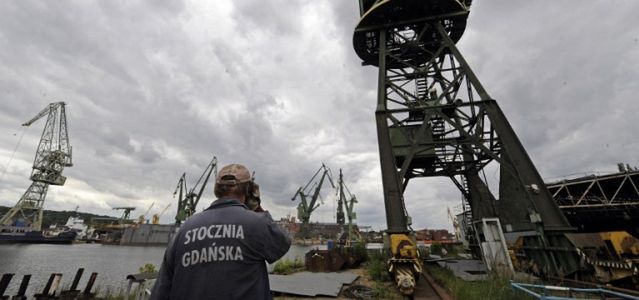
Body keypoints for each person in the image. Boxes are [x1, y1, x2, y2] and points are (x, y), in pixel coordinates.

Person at [150, 163, 291, 299]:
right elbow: (283, 244)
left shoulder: (184, 229)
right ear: (249, 190)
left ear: (217, 189)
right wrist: (256, 207)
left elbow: (162, 289)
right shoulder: (258, 223)